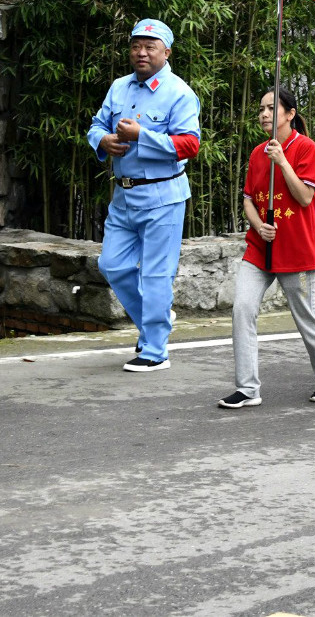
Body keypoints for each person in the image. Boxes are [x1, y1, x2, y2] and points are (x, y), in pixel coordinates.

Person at [86, 19, 201, 372]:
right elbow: (97, 124)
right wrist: (102, 141)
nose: (141, 52)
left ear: (166, 53)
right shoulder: (119, 87)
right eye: (137, 45)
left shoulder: (179, 93)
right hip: (123, 195)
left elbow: (190, 144)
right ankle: (156, 318)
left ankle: (154, 351)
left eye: (150, 46)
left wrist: (142, 136)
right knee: (112, 265)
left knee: (155, 276)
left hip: (163, 195)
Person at [221, 87, 315, 407]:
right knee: (242, 308)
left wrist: (282, 161)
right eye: (261, 108)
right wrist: (259, 226)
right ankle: (247, 388)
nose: (264, 114)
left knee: (305, 316)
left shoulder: (306, 149)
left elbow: (304, 197)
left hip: (296, 247)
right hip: (260, 246)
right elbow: (248, 200)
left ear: (290, 114)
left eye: (273, 108)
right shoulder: (257, 152)